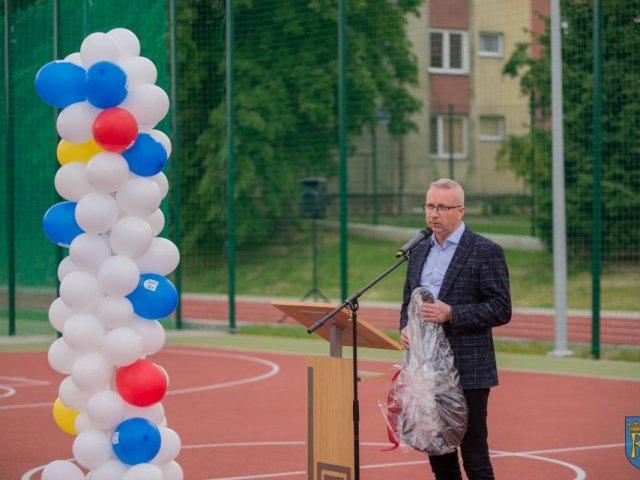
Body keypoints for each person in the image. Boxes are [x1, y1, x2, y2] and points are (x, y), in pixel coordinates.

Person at [399, 178, 512, 480]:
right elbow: (407, 301)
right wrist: (405, 327)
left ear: (460, 211)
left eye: (442, 207)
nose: (433, 214)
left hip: (469, 368)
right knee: (439, 452)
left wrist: (453, 313)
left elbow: (501, 308)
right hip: (428, 369)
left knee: (474, 456)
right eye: (429, 206)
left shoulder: (486, 250)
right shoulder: (419, 250)